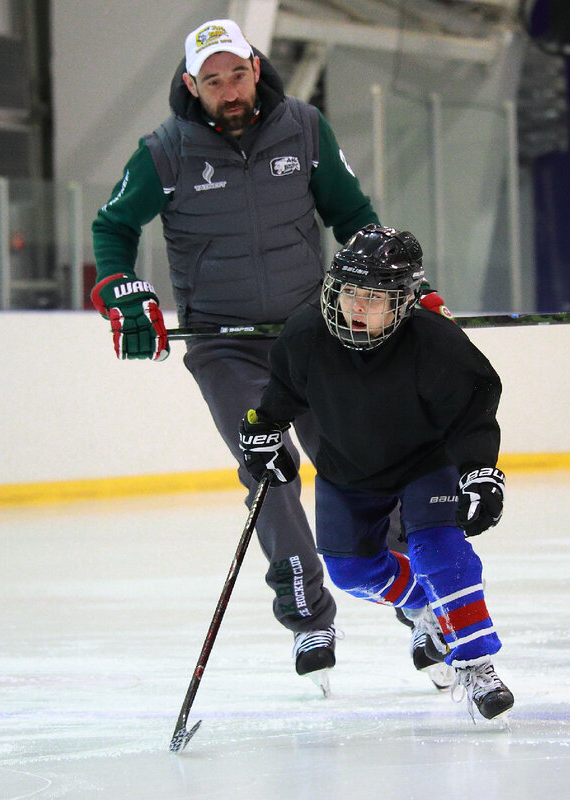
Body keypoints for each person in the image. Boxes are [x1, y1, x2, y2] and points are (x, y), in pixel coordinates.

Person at [90, 18, 453, 692]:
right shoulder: (165, 151)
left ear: (256, 68)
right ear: (191, 86)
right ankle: (308, 611)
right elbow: (113, 227)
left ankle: (422, 602)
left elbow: (353, 215)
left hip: (315, 337)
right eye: (212, 81)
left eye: (236, 74)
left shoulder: (306, 130)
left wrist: (397, 279)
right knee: (270, 466)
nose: (227, 90)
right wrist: (124, 288)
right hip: (225, 348)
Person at [237, 223, 514, 720]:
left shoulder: (435, 342)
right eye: (349, 293)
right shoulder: (305, 336)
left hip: (424, 463)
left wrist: (479, 472)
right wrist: (260, 435)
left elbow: (472, 410)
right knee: (349, 570)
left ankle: (475, 662)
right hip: (349, 467)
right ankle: (427, 606)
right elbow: (278, 401)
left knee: (439, 549)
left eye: (373, 297)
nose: (356, 307)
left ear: (403, 301)